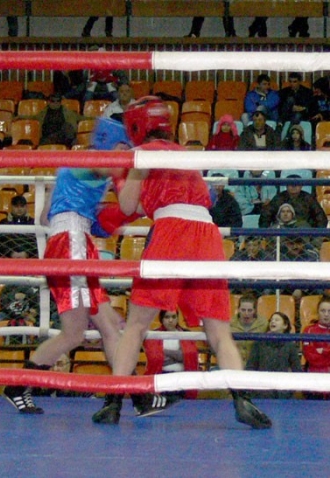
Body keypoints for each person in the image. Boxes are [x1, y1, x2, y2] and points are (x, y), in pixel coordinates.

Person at [92, 96, 271, 429]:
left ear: (136, 126)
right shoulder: (185, 155)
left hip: (172, 231)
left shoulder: (144, 153)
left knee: (136, 325)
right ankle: (242, 399)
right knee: (218, 330)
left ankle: (113, 402)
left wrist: (121, 181)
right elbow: (164, 201)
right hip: (206, 233)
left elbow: (129, 206)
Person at [4, 117, 173, 417]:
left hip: (71, 241)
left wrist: (93, 214)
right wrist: (147, 161)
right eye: (123, 148)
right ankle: (138, 395)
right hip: (72, 243)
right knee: (89, 330)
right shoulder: (91, 161)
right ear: (110, 144)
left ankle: (135, 396)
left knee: (94, 330)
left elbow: (45, 217)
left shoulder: (71, 168)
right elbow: (115, 172)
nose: (126, 154)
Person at [143, 310, 199, 400]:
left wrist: (164, 352)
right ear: (161, 319)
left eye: (173, 317)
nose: (170, 320)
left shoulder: (186, 334)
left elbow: (189, 357)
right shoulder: (153, 335)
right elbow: (154, 357)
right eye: (167, 317)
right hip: (162, 378)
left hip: (182, 378)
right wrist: (179, 356)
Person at [245, 312, 302, 399]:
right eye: (271, 320)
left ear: (285, 325)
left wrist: (289, 391)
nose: (273, 322)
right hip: (261, 391)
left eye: (277, 320)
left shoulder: (290, 345)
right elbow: (250, 367)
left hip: (282, 393)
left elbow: (297, 369)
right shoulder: (259, 343)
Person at [260, 176, 327, 229]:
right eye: (290, 184)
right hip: (282, 230)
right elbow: (266, 215)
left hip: (303, 232)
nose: (293, 186)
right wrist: (265, 234)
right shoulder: (278, 198)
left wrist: (317, 235)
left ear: (301, 186)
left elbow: (320, 216)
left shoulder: (309, 198)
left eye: (297, 184)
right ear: (286, 186)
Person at [302, 295, 330, 399]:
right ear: (318, 312)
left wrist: (322, 351)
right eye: (323, 311)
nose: (326, 314)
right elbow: (310, 356)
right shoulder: (308, 331)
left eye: (329, 311)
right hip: (314, 378)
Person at [229, 295, 269, 365]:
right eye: (243, 310)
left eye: (250, 310)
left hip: (256, 365)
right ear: (238, 309)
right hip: (233, 363)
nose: (246, 313)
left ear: (255, 310)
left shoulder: (264, 324)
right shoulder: (229, 324)